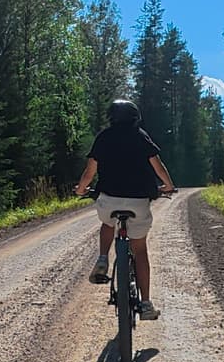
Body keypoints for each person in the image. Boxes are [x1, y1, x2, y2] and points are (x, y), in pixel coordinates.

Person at [73, 99, 175, 319]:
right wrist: (168, 186)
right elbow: (158, 167)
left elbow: (89, 172)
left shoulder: (104, 137)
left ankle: (103, 258)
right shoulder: (141, 136)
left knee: (107, 222)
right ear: (135, 117)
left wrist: (81, 189)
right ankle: (146, 304)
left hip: (109, 199)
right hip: (139, 202)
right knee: (140, 250)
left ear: (111, 117)